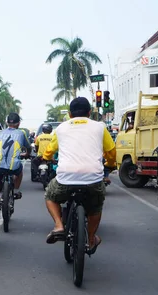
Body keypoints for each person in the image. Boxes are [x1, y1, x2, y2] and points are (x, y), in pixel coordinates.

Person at [42, 97, 117, 254]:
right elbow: (111, 152)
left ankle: (58, 225)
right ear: (89, 112)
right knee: (96, 207)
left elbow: (49, 151)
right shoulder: (99, 127)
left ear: (70, 114)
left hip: (65, 178)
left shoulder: (61, 128)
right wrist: (110, 165)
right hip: (93, 179)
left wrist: (45, 158)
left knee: (50, 196)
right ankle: (90, 239)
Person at [0, 112, 31, 201]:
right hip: (14, 166)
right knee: (20, 171)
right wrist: (27, 154)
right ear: (19, 123)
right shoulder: (22, 133)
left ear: (7, 123)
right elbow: (28, 147)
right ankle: (16, 190)